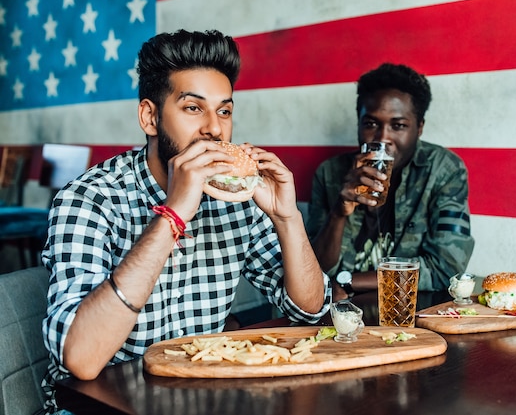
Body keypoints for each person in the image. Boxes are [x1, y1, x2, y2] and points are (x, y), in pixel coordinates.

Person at [41, 29, 331, 414]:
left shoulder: (238, 199)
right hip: (97, 405)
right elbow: (82, 358)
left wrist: (286, 217)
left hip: (200, 397)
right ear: (150, 117)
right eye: (193, 108)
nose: (214, 128)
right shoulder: (90, 198)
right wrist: (173, 214)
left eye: (224, 110)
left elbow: (310, 310)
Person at [306, 63, 474, 300]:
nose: (383, 138)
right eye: (371, 124)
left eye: (398, 126)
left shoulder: (443, 170)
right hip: (342, 311)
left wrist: (349, 281)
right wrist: (338, 212)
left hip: (408, 309)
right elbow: (313, 270)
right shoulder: (330, 173)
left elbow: (445, 269)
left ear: (419, 128)